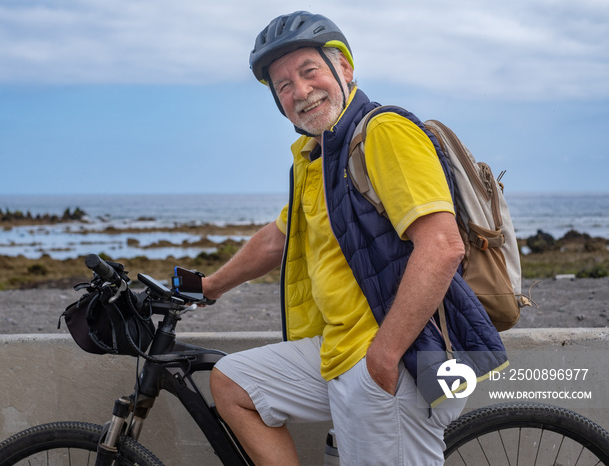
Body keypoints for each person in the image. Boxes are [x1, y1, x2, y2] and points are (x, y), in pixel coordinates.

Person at [202, 11, 507, 465]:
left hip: (403, 355)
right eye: (283, 85)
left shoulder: (383, 132)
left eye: (309, 72)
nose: (300, 91)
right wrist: (205, 288)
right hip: (343, 350)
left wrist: (385, 355)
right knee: (234, 383)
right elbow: (279, 239)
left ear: (343, 69)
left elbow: (442, 245)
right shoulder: (319, 155)